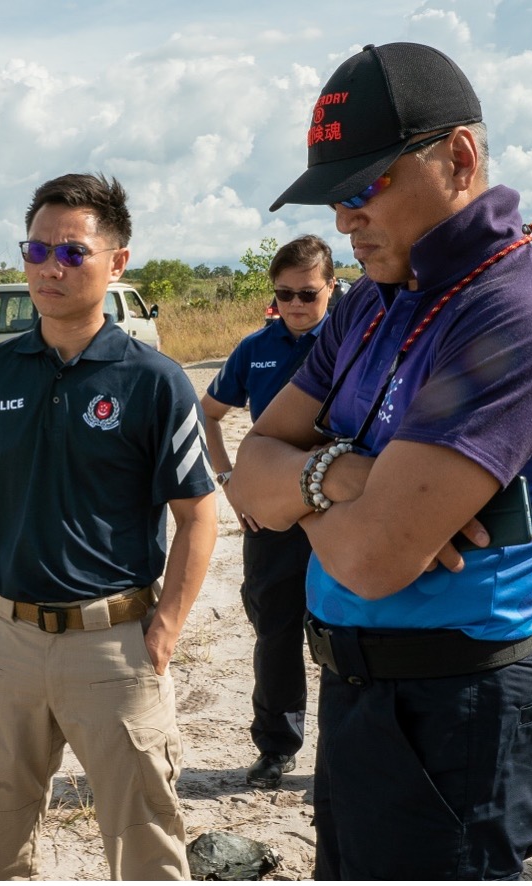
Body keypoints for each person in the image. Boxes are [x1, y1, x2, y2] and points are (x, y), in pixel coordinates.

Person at [232, 43, 532, 879]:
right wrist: (345, 478)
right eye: (335, 195)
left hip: (455, 710)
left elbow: (370, 558)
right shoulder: (370, 303)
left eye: (364, 188)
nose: (343, 220)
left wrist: (306, 480)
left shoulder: (514, 316)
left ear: (459, 158)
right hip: (363, 696)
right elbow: (247, 472)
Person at [0, 173, 218, 880]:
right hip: (6, 645)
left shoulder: (153, 380)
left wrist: (165, 628)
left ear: (117, 262)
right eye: (36, 251)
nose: (49, 268)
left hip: (114, 647)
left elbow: (197, 515)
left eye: (71, 253)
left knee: (146, 846)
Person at [201, 235, 335, 789]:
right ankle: (276, 747)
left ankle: (346, 751)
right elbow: (206, 414)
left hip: (338, 511)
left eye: (308, 293)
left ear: (331, 286)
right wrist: (230, 482)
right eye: (284, 295)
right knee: (275, 633)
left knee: (343, 635)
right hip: (273, 516)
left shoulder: (357, 344)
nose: (296, 306)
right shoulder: (254, 348)